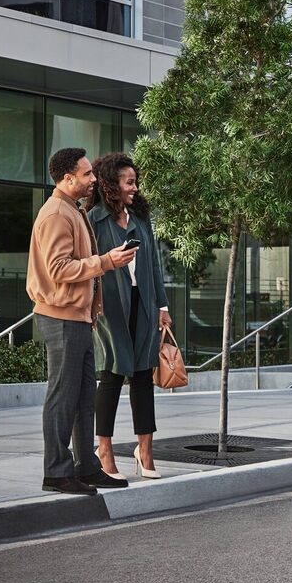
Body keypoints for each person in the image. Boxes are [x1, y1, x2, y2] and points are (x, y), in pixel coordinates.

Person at [28, 147, 137, 495]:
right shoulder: (57, 214)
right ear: (67, 177)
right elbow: (58, 269)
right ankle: (57, 473)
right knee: (62, 397)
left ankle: (86, 466)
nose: (93, 179)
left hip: (77, 318)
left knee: (83, 397)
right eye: (87, 173)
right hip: (61, 318)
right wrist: (106, 262)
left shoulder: (72, 210)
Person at [86, 153, 171, 480]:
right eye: (129, 182)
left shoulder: (140, 218)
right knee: (110, 374)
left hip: (144, 303)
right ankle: (104, 449)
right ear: (111, 184)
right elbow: (91, 266)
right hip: (111, 308)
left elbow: (153, 266)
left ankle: (144, 449)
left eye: (136, 182)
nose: (135, 188)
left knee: (142, 376)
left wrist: (162, 306)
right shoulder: (94, 220)